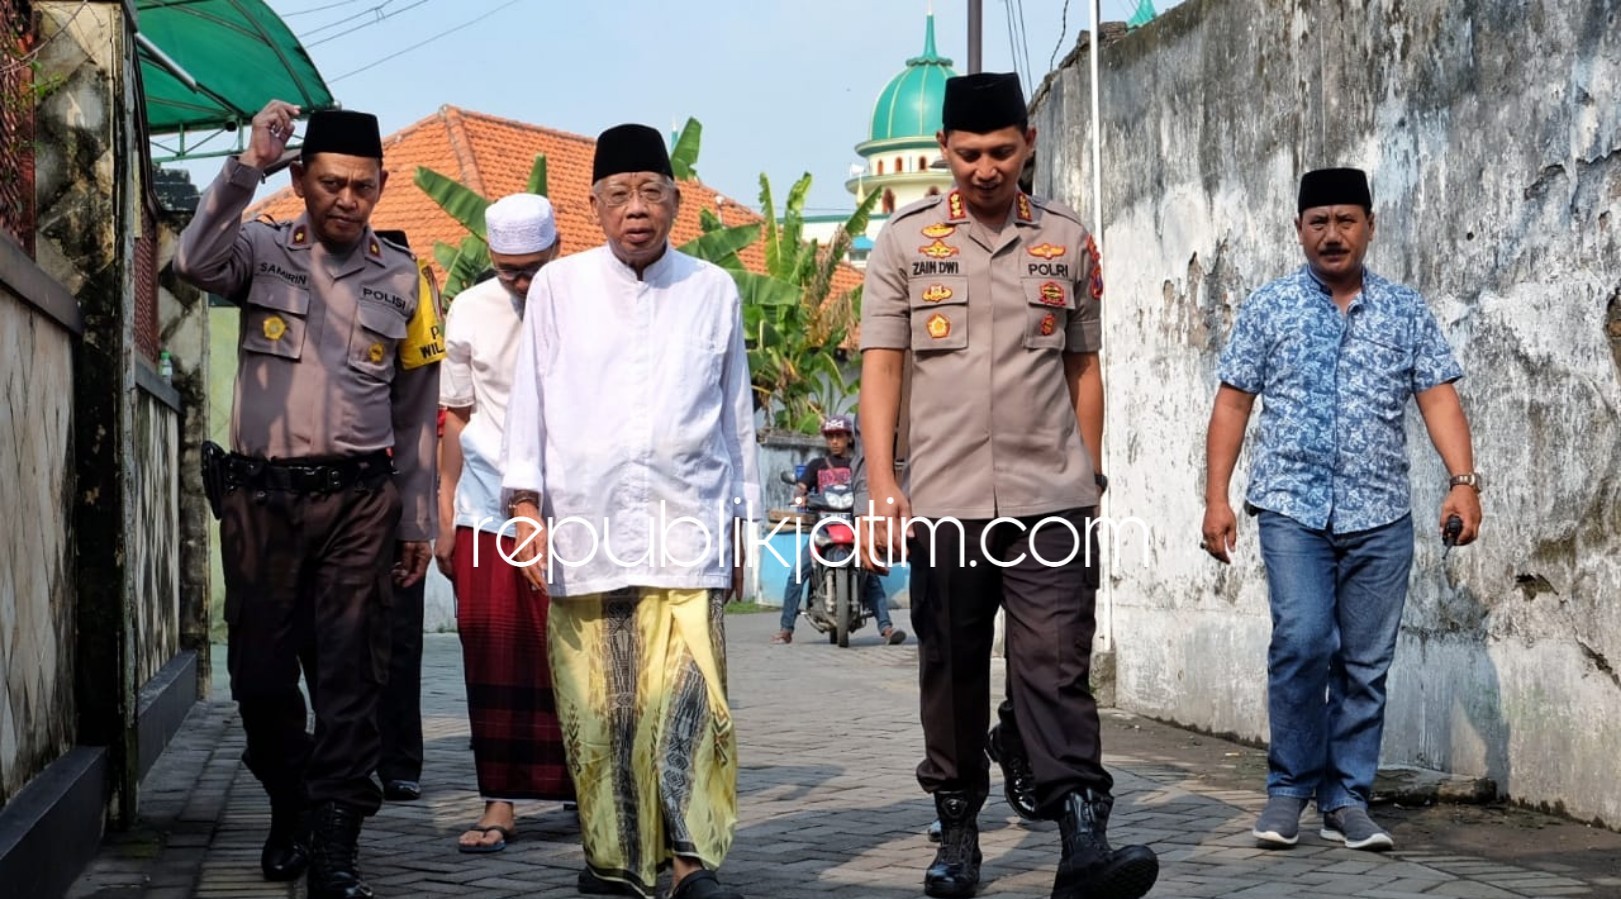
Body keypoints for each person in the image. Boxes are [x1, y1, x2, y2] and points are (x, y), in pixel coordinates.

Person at [857, 73, 1158, 899]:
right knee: (949, 663)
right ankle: (958, 833)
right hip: (944, 497)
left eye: (1000, 151)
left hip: (1050, 495)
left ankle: (1082, 841)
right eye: (966, 153)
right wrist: (883, 482)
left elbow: (1083, 363)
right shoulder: (904, 244)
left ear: (1027, 143)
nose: (984, 169)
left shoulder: (1064, 237)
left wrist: (1087, 471)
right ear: (945, 151)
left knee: (1055, 663)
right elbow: (882, 366)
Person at [175, 101, 442, 899]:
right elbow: (190, 262)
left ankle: (334, 837)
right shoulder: (258, 248)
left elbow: (417, 410)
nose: (345, 200)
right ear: (301, 179)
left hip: (360, 500)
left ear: (381, 186)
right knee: (259, 677)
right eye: (329, 183)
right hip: (260, 502)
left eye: (361, 186)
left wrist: (418, 516)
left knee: (353, 676)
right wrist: (246, 163)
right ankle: (288, 804)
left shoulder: (405, 278)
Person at [502, 124, 759, 899]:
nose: (636, 209)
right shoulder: (557, 287)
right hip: (586, 529)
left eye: (651, 191)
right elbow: (530, 399)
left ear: (677, 201)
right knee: (602, 712)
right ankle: (615, 861)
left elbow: (736, 417)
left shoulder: (712, 288)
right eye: (619, 194)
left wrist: (746, 524)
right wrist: (523, 504)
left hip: (689, 527)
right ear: (593, 205)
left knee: (689, 701)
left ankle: (688, 862)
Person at [1201, 167, 1483, 852]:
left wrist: (1462, 479)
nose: (1331, 234)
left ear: (1369, 225)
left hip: (1379, 512)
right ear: (1298, 228)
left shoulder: (1404, 310)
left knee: (1364, 661)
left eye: (1345, 220)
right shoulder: (1268, 308)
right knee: (1301, 640)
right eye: (1317, 221)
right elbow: (1233, 401)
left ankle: (1347, 796)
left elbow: (1438, 396)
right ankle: (1288, 791)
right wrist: (1215, 497)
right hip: (1290, 507)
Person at [434, 193, 573, 853]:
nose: (520, 282)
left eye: (533, 267)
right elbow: (455, 415)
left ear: (557, 248)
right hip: (485, 506)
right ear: (490, 257)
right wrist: (442, 510)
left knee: (573, 653)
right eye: (508, 269)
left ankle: (588, 785)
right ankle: (499, 801)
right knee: (490, 652)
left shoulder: (586, 301)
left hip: (574, 511)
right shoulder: (466, 308)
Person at [371, 229, 439, 806]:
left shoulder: (420, 330)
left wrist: (423, 517)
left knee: (399, 636)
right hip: (339, 497)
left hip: (399, 504)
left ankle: (399, 760)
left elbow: (430, 429)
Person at [773, 414, 906, 645]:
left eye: (839, 436)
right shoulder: (816, 466)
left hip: (853, 529)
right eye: (830, 436)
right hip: (822, 531)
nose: (834, 441)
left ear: (849, 437)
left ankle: (886, 628)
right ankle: (786, 629)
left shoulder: (857, 466)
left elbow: (871, 488)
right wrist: (800, 497)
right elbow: (801, 487)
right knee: (797, 574)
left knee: (870, 572)